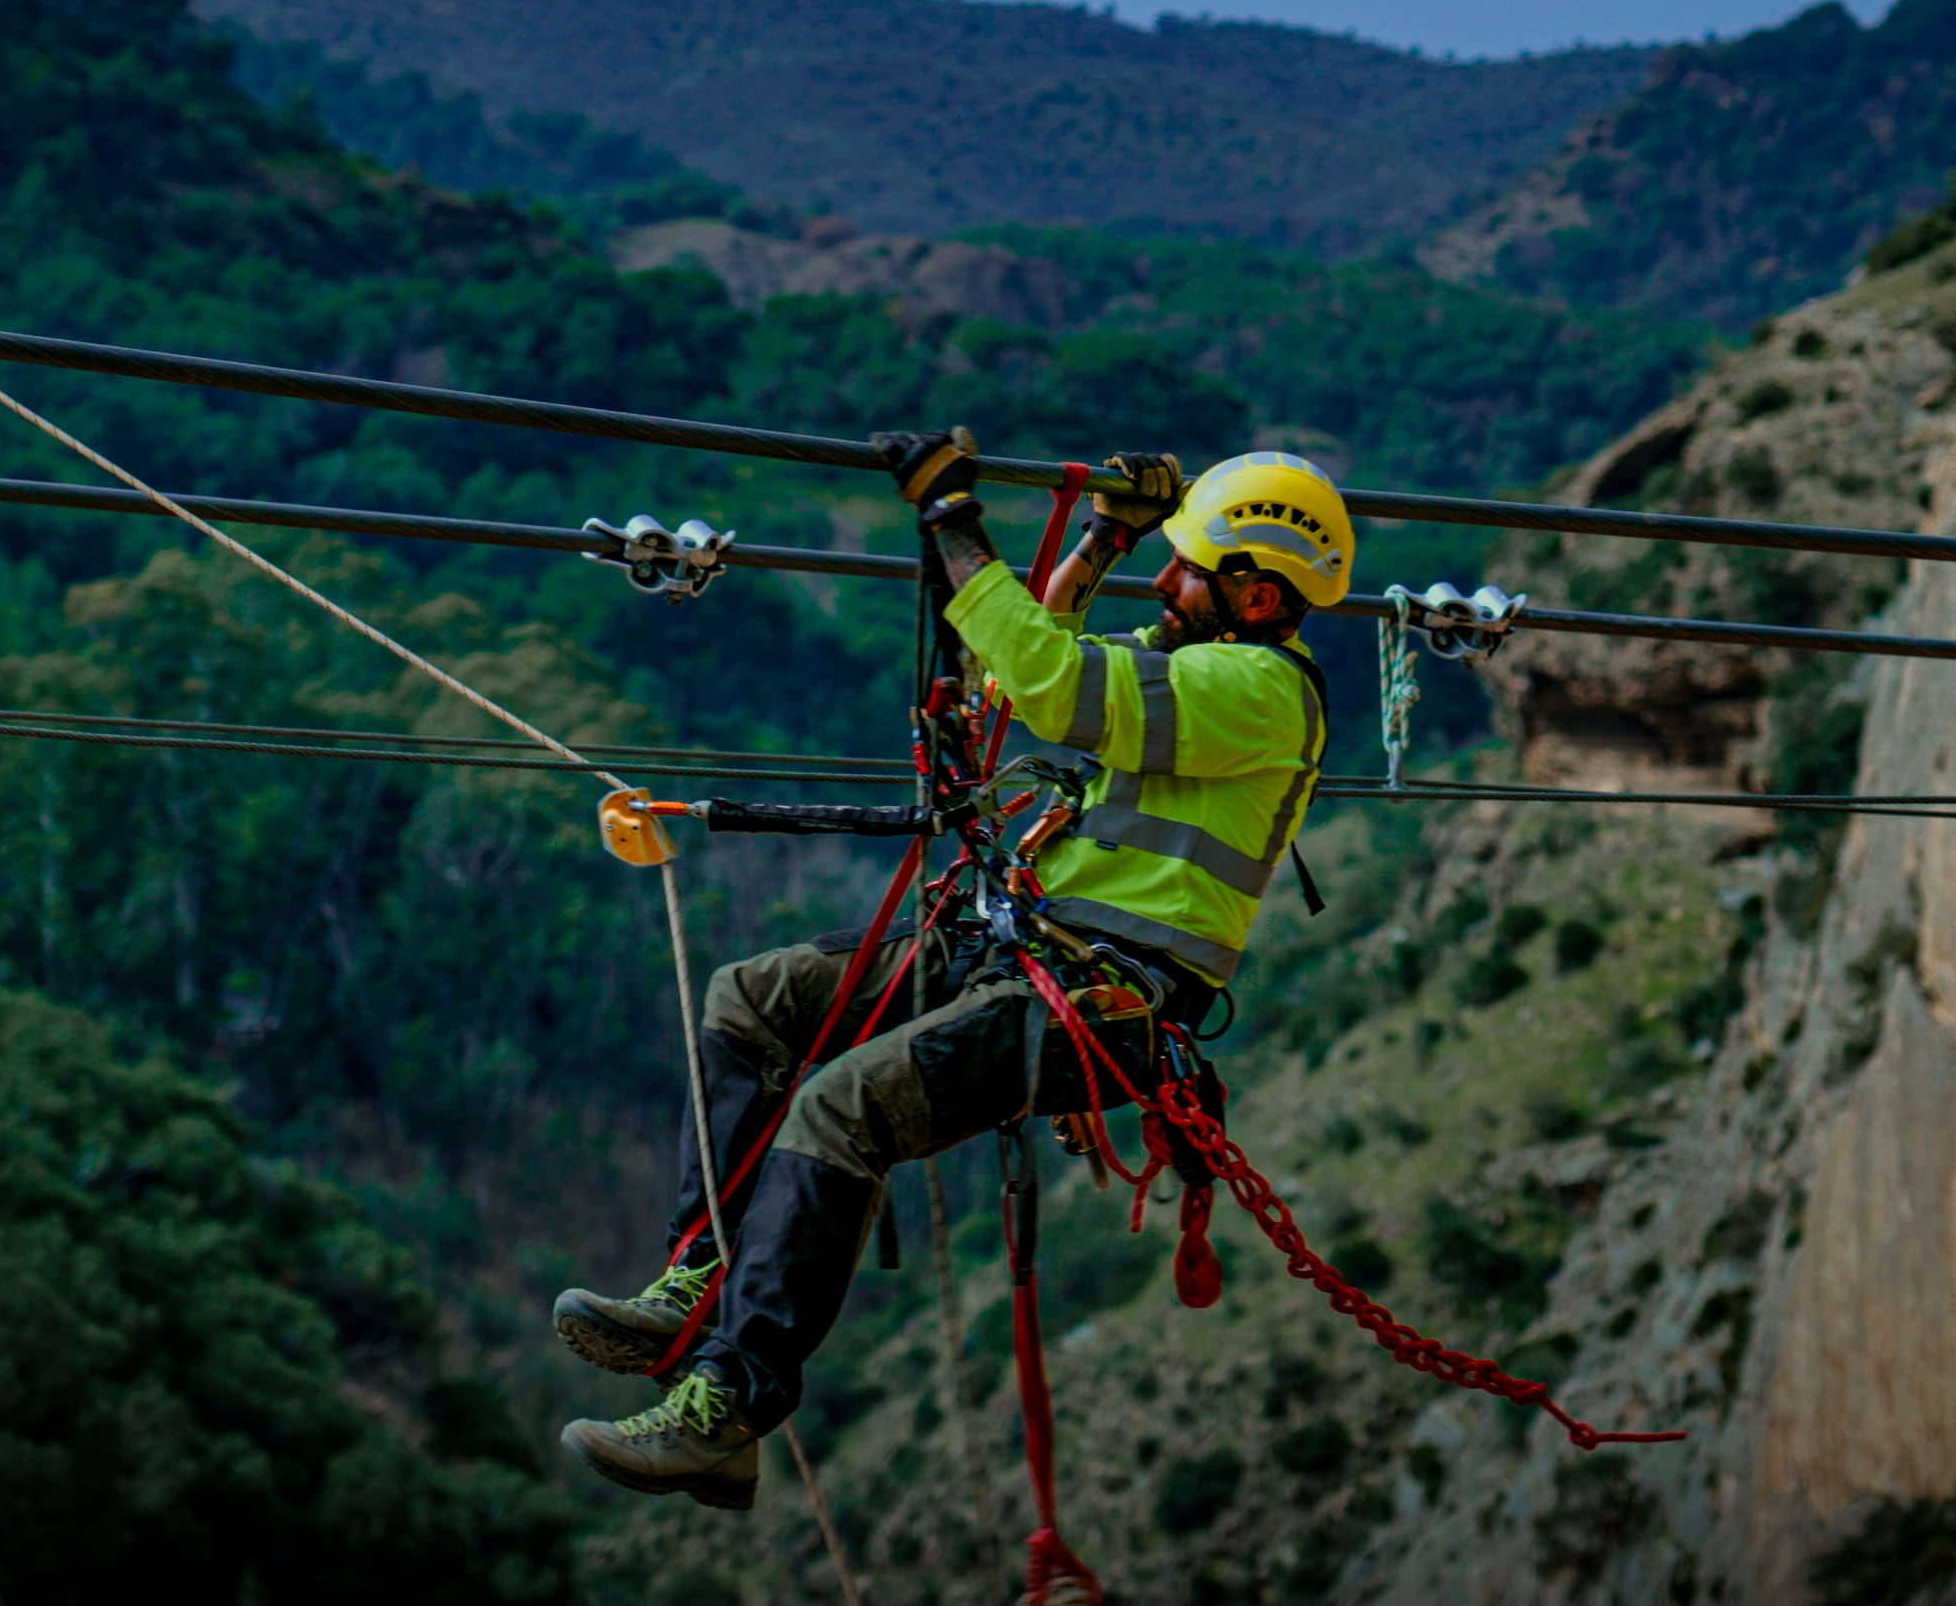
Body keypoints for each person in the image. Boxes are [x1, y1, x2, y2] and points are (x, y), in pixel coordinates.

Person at [550, 435, 1357, 1508]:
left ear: (1256, 599)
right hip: (1019, 949)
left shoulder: (1254, 691)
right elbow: (1025, 669)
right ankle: (701, 1277)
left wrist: (952, 520)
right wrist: (1104, 542)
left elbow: (1055, 685)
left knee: (843, 1109)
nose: (1167, 581)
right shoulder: (1208, 672)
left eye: (1186, 566)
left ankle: (730, 1406)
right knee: (755, 1000)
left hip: (1095, 998)